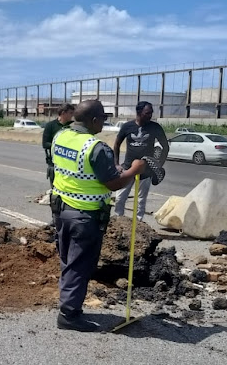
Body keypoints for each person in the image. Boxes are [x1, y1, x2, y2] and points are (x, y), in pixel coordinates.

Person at [51, 100, 146, 332]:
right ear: (94, 120)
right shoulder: (95, 147)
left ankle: (69, 304)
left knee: (68, 260)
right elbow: (113, 183)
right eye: (103, 117)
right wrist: (134, 170)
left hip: (61, 209)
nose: (104, 121)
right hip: (85, 216)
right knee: (80, 265)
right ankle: (69, 315)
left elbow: (80, 171)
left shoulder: (60, 136)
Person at [112, 102, 169, 222]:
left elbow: (165, 146)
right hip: (128, 169)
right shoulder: (127, 127)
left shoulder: (155, 127)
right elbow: (117, 144)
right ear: (139, 112)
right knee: (120, 197)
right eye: (147, 113)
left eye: (151, 113)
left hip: (146, 170)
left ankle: (138, 223)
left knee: (141, 200)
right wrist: (117, 164)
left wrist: (159, 164)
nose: (150, 115)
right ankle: (119, 221)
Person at [43, 104, 76, 188]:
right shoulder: (50, 126)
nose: (72, 115)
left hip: (70, 161)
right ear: (63, 113)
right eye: (70, 113)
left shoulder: (72, 126)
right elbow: (45, 143)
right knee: (56, 187)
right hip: (55, 162)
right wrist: (60, 147)